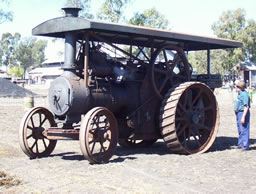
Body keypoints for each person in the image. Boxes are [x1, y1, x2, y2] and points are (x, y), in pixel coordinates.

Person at [234, 81, 250, 150]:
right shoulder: (240, 94)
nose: (236, 88)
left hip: (243, 113)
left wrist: (243, 117)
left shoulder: (244, 94)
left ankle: (245, 146)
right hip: (238, 113)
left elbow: (246, 106)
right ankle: (240, 144)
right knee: (240, 129)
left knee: (244, 129)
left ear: (240, 87)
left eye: (237, 86)